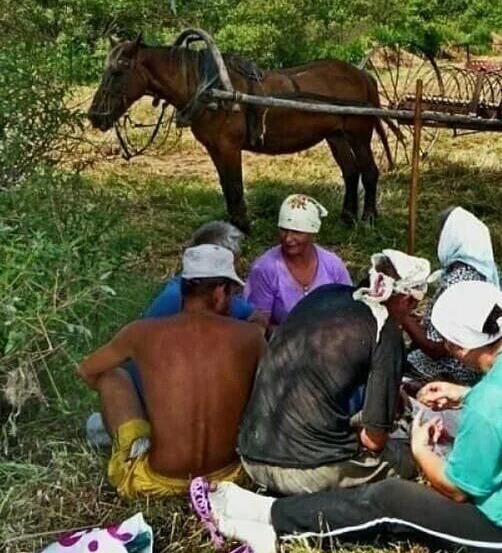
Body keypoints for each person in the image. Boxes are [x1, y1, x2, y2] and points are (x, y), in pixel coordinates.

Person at [200, 281, 502, 553]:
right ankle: (271, 514)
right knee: (399, 491)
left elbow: (456, 488)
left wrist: (419, 449)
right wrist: (465, 395)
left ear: (457, 347)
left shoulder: (492, 401)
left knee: (393, 501)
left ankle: (274, 528)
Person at [77, 245, 265, 499]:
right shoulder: (251, 336)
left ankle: (135, 448)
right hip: (227, 477)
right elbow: (274, 392)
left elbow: (87, 371)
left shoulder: (140, 333)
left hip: (155, 482)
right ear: (220, 292)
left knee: (112, 376)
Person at [237, 249, 431, 495]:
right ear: (405, 299)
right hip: (304, 473)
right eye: (414, 305)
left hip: (252, 455)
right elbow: (373, 441)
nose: (411, 313)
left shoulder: (324, 294)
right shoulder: (386, 329)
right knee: (415, 455)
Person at [405, 206, 501, 385]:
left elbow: (435, 348)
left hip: (451, 368)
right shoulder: (486, 272)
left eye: (440, 236)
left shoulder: (457, 281)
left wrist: (402, 315)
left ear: (451, 240)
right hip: (475, 363)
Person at [245, 193, 352, 333]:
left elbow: (349, 312)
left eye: (296, 232)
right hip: (283, 346)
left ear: (312, 233)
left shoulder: (333, 265)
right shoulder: (265, 268)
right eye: (283, 230)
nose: (288, 239)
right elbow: (259, 323)